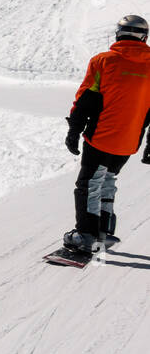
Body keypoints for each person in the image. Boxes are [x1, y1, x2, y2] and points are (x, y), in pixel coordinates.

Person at [62, 15, 150, 253]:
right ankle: (104, 231)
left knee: (89, 183)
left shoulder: (103, 61)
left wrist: (74, 130)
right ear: (144, 36)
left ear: (119, 35)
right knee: (107, 179)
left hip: (101, 137)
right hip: (129, 141)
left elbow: (85, 100)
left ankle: (86, 235)